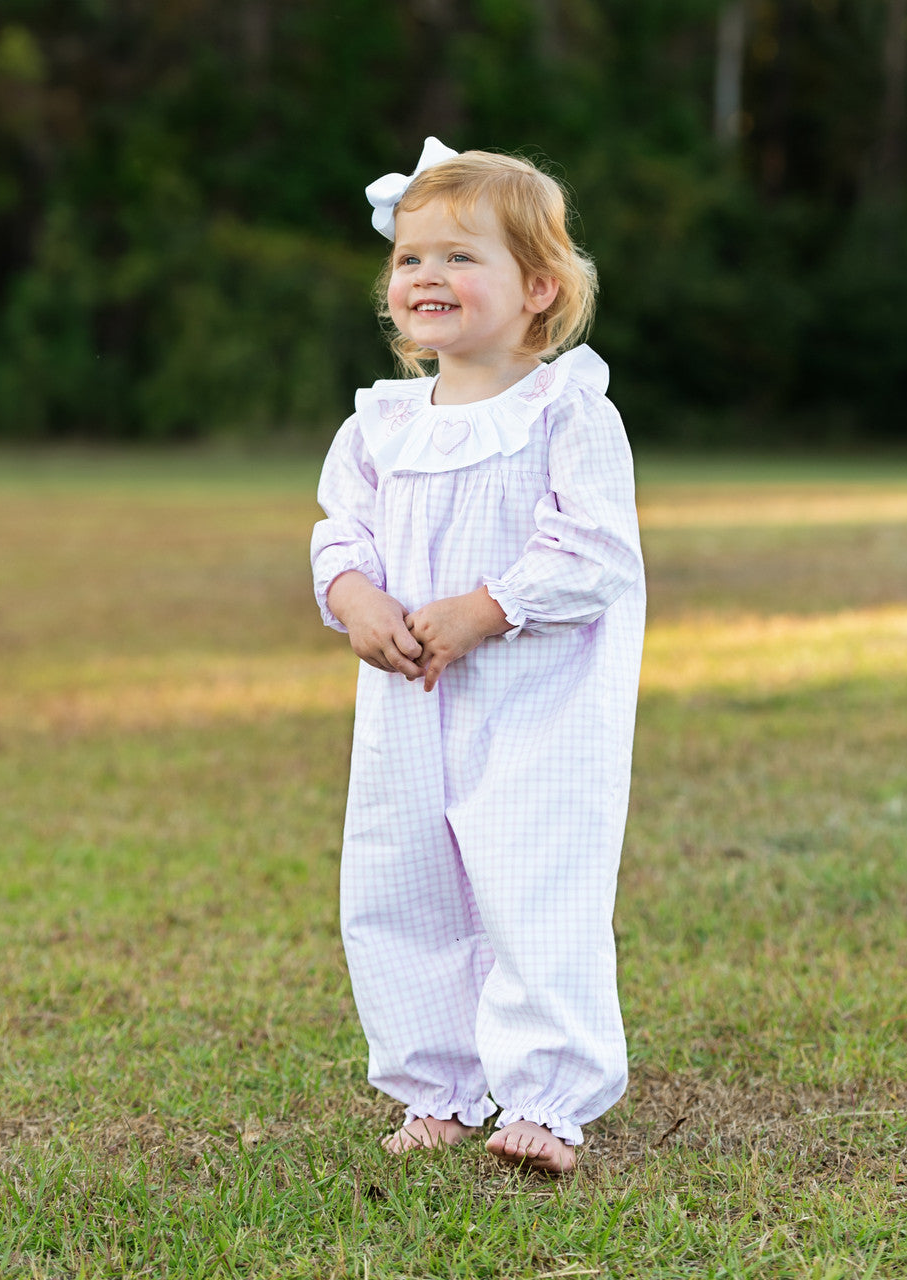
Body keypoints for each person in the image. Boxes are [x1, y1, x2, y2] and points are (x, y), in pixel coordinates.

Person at [310, 137, 645, 1175]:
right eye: (410, 259)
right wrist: (355, 596)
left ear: (537, 287)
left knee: (532, 883)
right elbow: (340, 531)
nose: (425, 277)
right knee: (401, 878)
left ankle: (546, 1094)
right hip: (411, 704)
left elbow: (592, 549)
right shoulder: (380, 424)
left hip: (535, 702)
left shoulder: (566, 411)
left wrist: (488, 608)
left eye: (460, 258)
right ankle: (436, 1083)